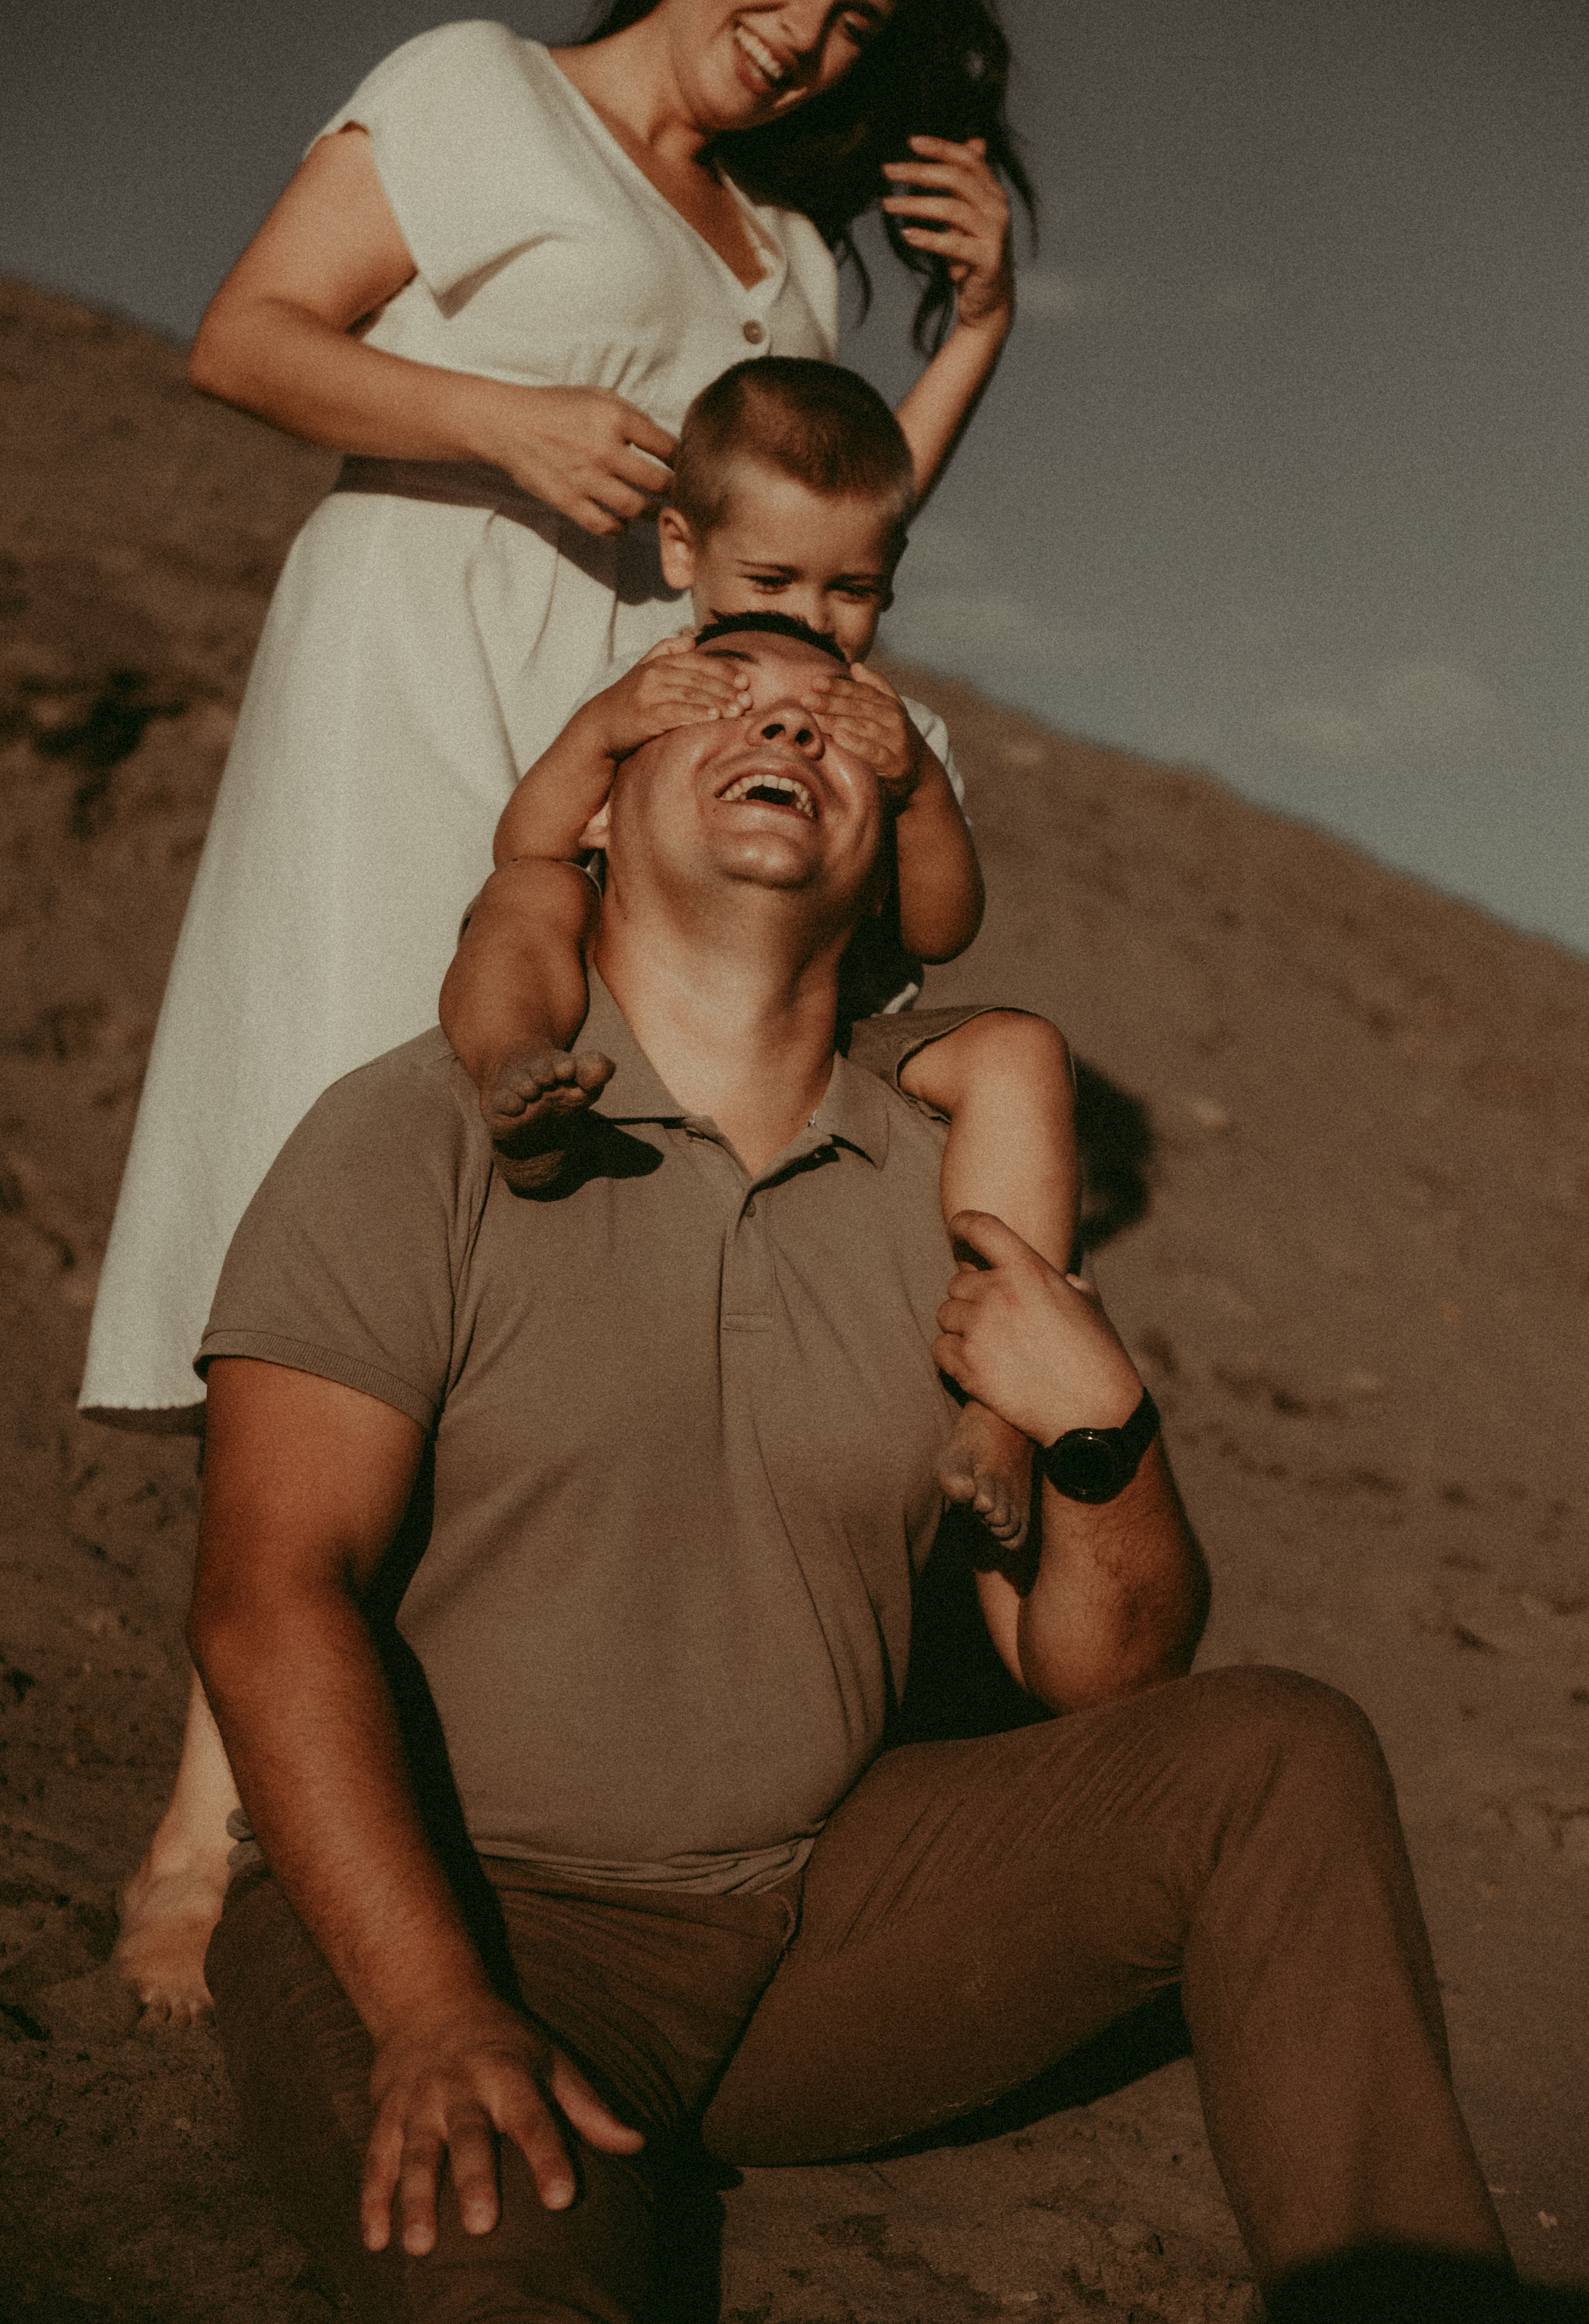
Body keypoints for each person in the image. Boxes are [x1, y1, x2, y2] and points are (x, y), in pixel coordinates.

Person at [191, 623, 1517, 2324]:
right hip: (458, 1913)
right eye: (722, 701)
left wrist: (1105, 1436)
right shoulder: (416, 1134)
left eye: (836, 731)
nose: (787, 730)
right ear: (592, 811)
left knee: (1280, 1754)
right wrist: (438, 2007)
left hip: (815, 1916)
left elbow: (1099, 1675)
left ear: (890, 859)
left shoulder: (951, 1201)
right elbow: (265, 1597)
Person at [94, 0, 1034, 2016]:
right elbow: (246, 338)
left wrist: (980, 326)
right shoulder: (476, 85)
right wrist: (500, 421)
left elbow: (808, 541)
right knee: (336, 1166)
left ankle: (392, 1783)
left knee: (531, 1215)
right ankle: (207, 1820)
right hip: (406, 658)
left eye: (862, 20)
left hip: (624, 728)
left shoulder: (787, 258)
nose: (806, 23)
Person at [438, 356, 1077, 1536]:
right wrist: (604, 732)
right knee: (526, 897)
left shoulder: (897, 726)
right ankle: (515, 1069)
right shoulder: (651, 682)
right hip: (636, 999)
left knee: (1021, 1055)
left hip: (842, 1037)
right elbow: (526, 838)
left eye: (855, 591)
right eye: (774, 576)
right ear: (682, 552)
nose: (815, 616)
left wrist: (915, 783)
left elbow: (942, 927)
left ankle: (1000, 1393)